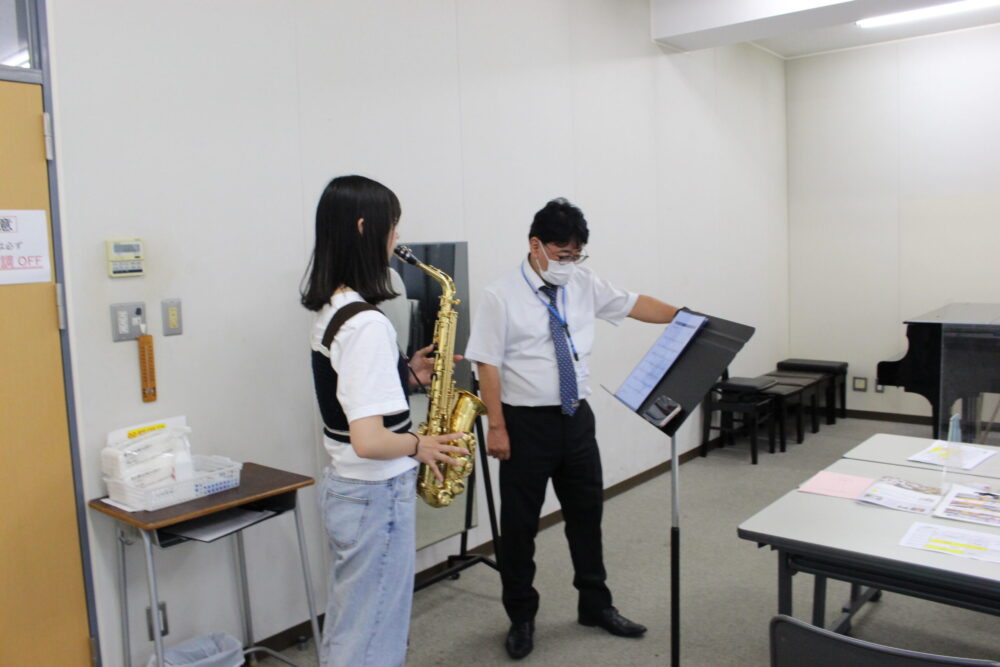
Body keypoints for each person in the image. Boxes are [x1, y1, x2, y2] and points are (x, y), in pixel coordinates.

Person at [465, 197, 681, 660]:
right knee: (519, 527)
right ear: (535, 246)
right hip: (524, 423)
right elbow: (487, 364)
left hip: (576, 418)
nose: (569, 263)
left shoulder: (583, 282)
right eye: (562, 254)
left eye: (576, 255)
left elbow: (634, 304)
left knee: (587, 516)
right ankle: (521, 615)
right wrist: (496, 427)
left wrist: (685, 317)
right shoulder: (500, 295)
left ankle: (595, 605)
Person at [300, 175, 466, 667]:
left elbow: (347, 394)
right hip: (375, 495)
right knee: (373, 637)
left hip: (348, 490)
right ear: (363, 228)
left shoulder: (335, 308)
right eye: (393, 226)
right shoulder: (367, 324)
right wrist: (421, 445)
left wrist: (407, 372)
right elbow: (370, 440)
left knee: (354, 624)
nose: (398, 238)